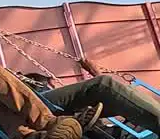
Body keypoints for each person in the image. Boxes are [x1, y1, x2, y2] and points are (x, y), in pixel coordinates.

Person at [28, 57, 159, 134]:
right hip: (30, 109)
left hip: (39, 111)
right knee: (104, 84)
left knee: (114, 94)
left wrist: (96, 73)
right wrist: (98, 76)